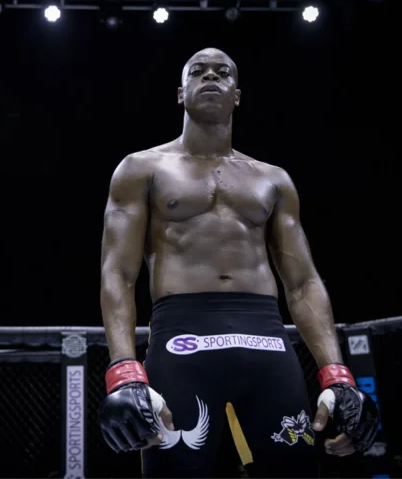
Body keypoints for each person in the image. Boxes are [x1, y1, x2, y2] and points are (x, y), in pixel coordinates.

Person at [98, 48, 379, 478]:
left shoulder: (273, 179)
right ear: (181, 92)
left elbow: (303, 282)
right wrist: (122, 369)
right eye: (198, 71)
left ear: (237, 94)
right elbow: (118, 273)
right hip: (182, 340)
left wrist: (337, 374)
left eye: (222, 72)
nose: (210, 76)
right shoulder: (140, 169)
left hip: (266, 340)